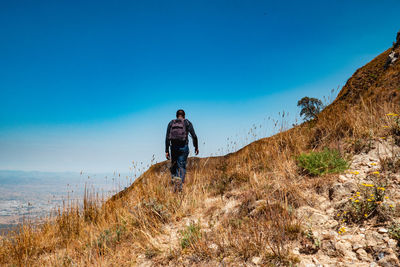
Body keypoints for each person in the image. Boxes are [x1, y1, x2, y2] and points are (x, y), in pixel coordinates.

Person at [165, 109, 199, 191]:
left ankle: (175, 186)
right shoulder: (187, 123)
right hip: (184, 147)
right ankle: (179, 188)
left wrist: (166, 150)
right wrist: (196, 147)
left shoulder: (171, 123)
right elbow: (194, 136)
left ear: (177, 115)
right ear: (184, 115)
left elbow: (167, 138)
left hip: (173, 148)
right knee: (182, 166)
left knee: (174, 166)